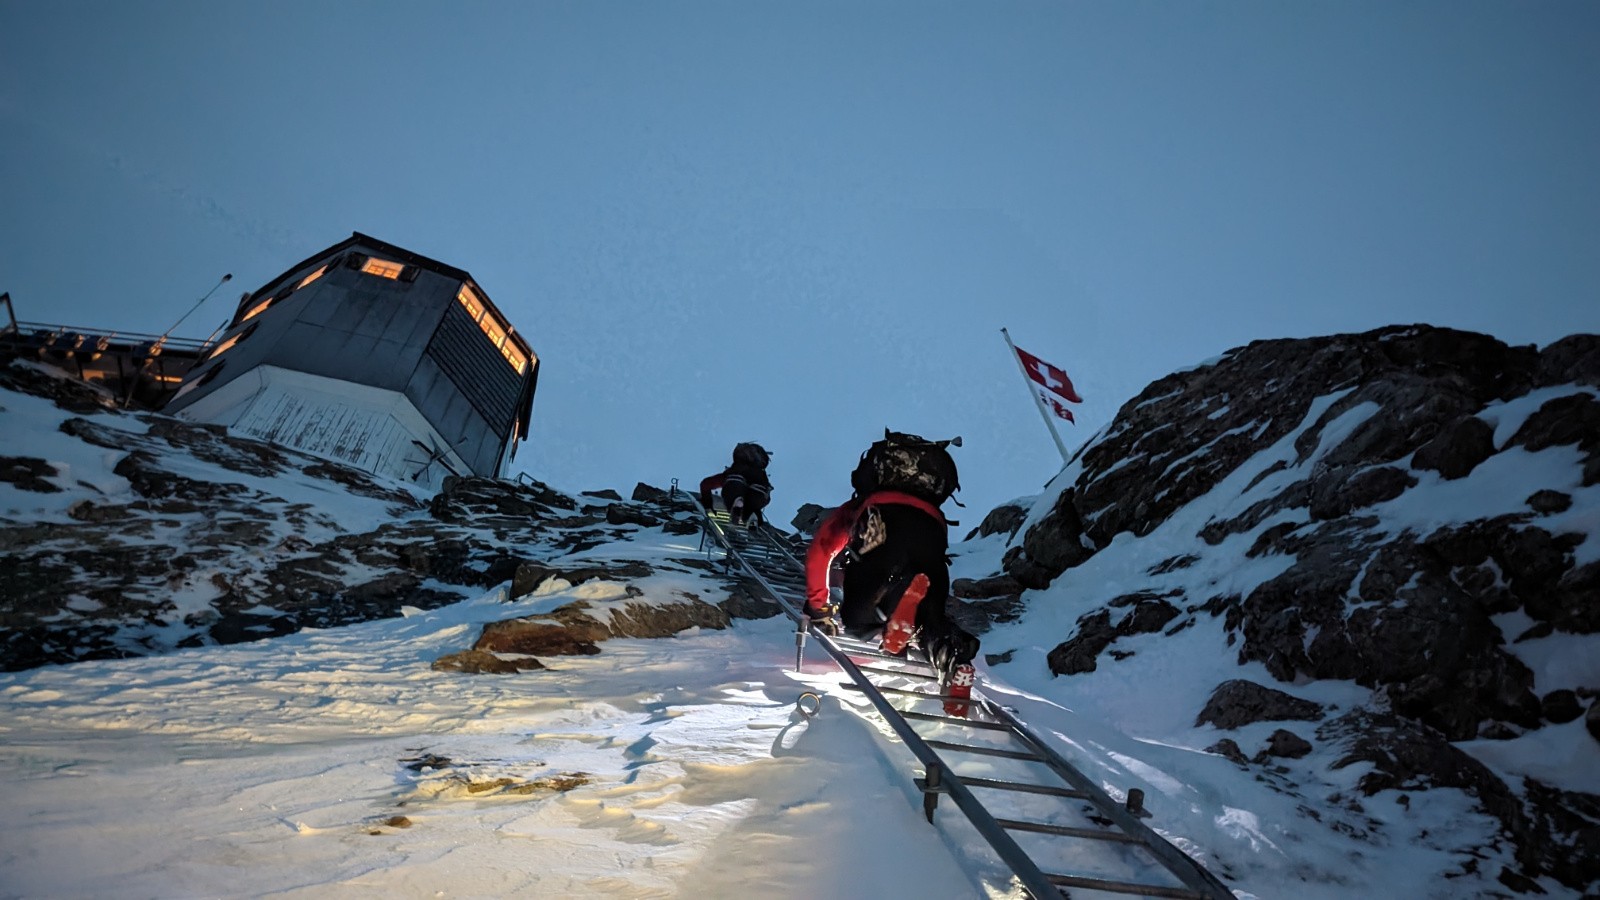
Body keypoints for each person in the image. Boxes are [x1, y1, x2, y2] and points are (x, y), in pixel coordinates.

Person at [804, 430, 980, 701]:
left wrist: (818, 608)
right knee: (930, 623)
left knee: (857, 621)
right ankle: (953, 658)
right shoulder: (931, 507)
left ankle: (894, 613)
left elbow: (821, 550)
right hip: (931, 541)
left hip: (882, 544)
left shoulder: (861, 504)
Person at [699, 442, 773, 526]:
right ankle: (752, 515)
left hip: (735, 483)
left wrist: (707, 504)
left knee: (733, 491)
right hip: (759, 491)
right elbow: (766, 495)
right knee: (753, 503)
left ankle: (738, 502)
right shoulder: (761, 474)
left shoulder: (734, 470)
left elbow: (705, 484)